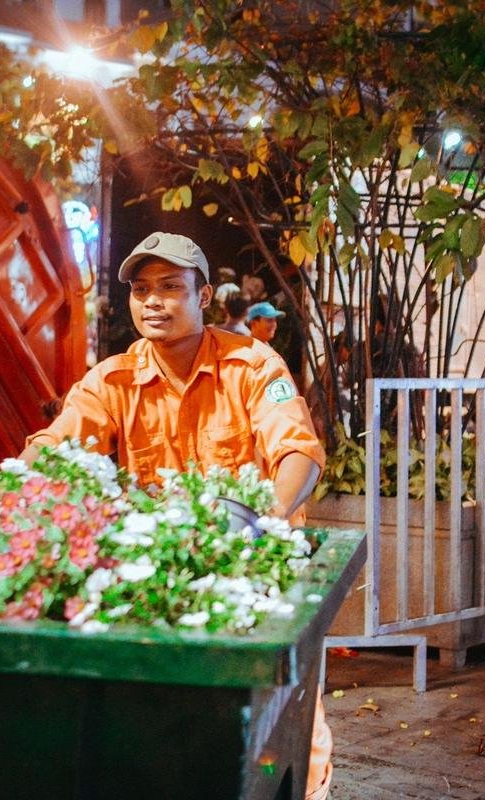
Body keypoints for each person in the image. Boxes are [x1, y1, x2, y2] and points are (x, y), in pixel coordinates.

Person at [21, 231, 333, 799]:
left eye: (170, 287)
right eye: (141, 290)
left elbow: (299, 453)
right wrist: (21, 488)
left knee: (285, 730)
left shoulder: (252, 364)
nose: (153, 302)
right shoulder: (112, 379)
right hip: (162, 583)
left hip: (255, 576)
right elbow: (55, 446)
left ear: (205, 295)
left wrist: (264, 522)